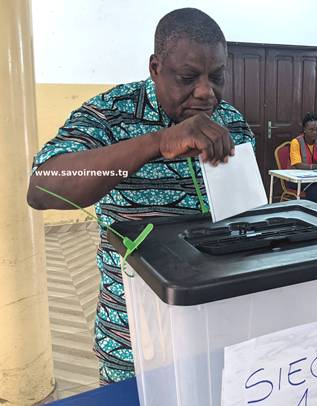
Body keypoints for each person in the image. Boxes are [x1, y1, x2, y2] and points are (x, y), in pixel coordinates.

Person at [26, 8, 255, 385]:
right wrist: (156, 143)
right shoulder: (110, 115)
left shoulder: (230, 123)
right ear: (155, 68)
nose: (205, 91)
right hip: (134, 343)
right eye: (187, 78)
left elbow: (247, 217)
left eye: (217, 76)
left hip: (218, 336)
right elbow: (43, 187)